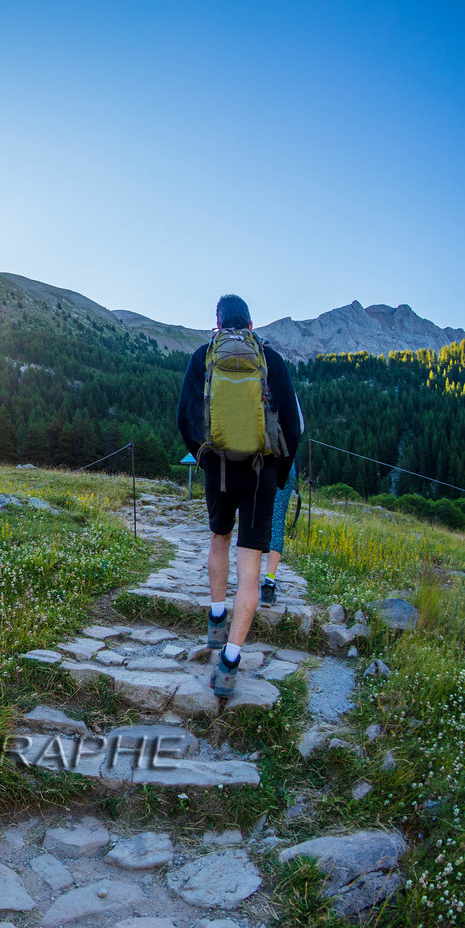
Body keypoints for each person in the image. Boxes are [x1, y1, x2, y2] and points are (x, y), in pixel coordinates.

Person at [176, 294, 304, 698]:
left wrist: (204, 457)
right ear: (251, 324)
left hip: (219, 469)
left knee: (218, 539)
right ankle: (230, 662)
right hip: (262, 472)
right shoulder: (270, 360)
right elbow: (293, 427)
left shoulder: (203, 357)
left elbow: (185, 417)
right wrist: (279, 473)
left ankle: (216, 618)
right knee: (250, 567)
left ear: (217, 323)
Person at [261, 451, 299, 604]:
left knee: (253, 521)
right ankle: (269, 585)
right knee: (277, 522)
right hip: (283, 463)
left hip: (253, 462)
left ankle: (247, 582)